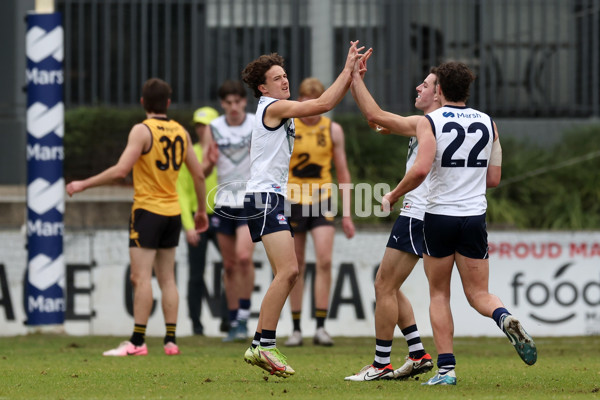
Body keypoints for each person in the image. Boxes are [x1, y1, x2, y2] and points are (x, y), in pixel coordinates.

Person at [377, 61, 537, 386]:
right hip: (474, 217)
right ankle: (504, 317)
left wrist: (393, 194)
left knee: (439, 294)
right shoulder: (488, 123)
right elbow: (494, 177)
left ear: (439, 90)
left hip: (439, 216)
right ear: (467, 89)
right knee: (479, 293)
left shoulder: (430, 122)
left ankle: (446, 371)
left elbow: (421, 170)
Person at [240, 41, 367, 378]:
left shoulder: (278, 107)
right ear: (262, 88)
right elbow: (323, 102)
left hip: (272, 198)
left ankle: (262, 343)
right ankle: (262, 345)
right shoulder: (272, 107)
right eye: (277, 78)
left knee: (290, 271)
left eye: (285, 76)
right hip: (264, 199)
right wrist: (348, 70)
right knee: (289, 271)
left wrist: (351, 76)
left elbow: (321, 106)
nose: (285, 82)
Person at [66, 78, 209, 356]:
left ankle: (138, 341)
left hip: (147, 212)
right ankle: (170, 340)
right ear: (168, 103)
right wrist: (201, 210)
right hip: (173, 213)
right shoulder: (181, 131)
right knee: (168, 278)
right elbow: (199, 174)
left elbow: (121, 170)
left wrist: (83, 184)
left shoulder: (142, 131)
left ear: (143, 102)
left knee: (140, 277)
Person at [344, 53, 437, 381]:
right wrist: (357, 82)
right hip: (427, 215)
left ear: (438, 94)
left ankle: (381, 364)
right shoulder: (428, 124)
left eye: (425, 85)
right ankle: (417, 354)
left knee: (383, 285)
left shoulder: (429, 123)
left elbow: (374, 114)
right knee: (391, 286)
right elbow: (376, 121)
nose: (418, 87)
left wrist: (353, 76)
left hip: (416, 213)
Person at [203, 80, 256, 342]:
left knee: (244, 257)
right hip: (223, 202)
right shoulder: (213, 128)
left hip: (250, 199)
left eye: (238, 101)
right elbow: (202, 171)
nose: (234, 107)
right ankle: (234, 320)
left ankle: (245, 319)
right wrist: (208, 163)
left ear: (244, 102)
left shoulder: (256, 122)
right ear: (222, 104)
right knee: (229, 264)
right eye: (228, 102)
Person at [176, 106, 220, 336]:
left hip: (223, 216)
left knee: (233, 268)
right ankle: (196, 324)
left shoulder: (225, 154)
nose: (202, 130)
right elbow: (181, 192)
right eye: (199, 125)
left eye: (207, 125)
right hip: (197, 217)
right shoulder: (189, 153)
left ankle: (231, 319)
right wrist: (189, 226)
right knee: (195, 273)